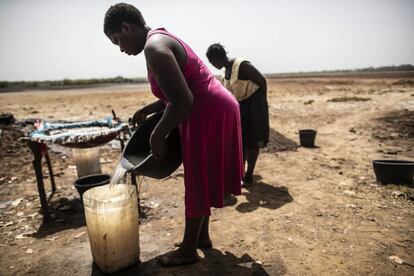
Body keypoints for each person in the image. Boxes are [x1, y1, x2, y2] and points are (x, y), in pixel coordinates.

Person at [103, 4, 243, 266]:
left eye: (117, 41)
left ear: (126, 27)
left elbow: (182, 101)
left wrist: (157, 135)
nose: (121, 49)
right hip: (213, 107)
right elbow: (182, 87)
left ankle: (188, 251)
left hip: (207, 111)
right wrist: (150, 108)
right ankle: (201, 238)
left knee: (198, 178)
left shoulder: (154, 48)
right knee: (202, 174)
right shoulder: (160, 39)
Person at [206, 44, 269, 187]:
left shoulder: (242, 65)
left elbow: (262, 81)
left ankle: (249, 176)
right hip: (241, 107)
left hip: (255, 105)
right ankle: (240, 174)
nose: (212, 65)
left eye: (211, 62)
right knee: (242, 141)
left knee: (252, 142)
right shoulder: (224, 74)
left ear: (216, 59)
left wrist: (263, 105)